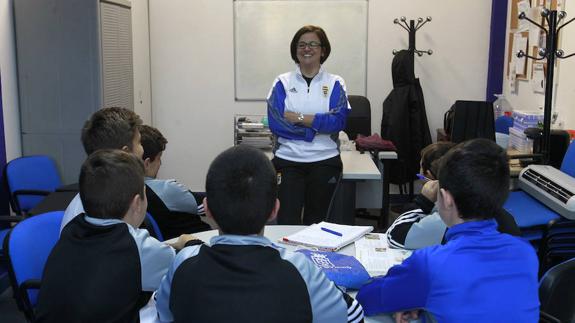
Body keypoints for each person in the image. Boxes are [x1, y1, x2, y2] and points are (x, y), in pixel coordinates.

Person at [155, 146, 364, 323]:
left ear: (207, 208)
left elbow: (162, 309)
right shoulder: (299, 269)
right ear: (274, 209)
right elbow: (354, 315)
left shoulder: (183, 263)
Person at [357, 139, 539, 322]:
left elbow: (367, 298)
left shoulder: (431, 263)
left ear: (446, 198)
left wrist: (408, 299)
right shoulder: (526, 252)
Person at [36, 150, 195, 322]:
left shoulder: (71, 230)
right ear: (137, 203)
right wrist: (189, 243)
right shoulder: (135, 246)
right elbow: (190, 267)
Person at [267, 25, 350, 225]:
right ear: (295, 50)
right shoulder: (282, 82)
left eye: (313, 44)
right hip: (287, 161)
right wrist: (313, 131)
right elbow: (276, 123)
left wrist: (300, 118)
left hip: (325, 161)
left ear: (323, 50)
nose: (307, 48)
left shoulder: (335, 83)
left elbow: (338, 121)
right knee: (286, 222)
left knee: (319, 224)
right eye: (302, 44)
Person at [59, 107, 144, 232]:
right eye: (139, 142)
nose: (143, 149)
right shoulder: (99, 215)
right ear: (125, 153)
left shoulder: (109, 197)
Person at [139, 124, 210, 239]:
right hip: (196, 244)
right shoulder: (166, 189)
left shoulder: (127, 190)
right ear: (147, 163)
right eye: (159, 158)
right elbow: (209, 203)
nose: (160, 164)